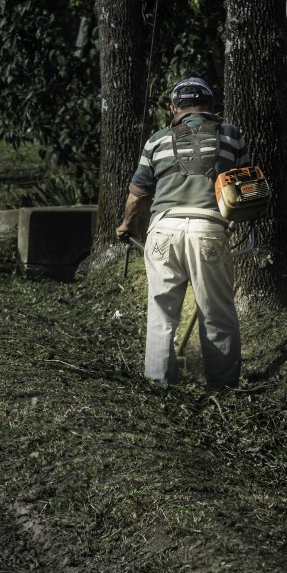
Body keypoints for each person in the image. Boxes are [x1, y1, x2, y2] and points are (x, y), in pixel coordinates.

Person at [116, 77, 249, 387]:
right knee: (216, 313)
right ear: (211, 106)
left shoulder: (156, 140)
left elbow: (137, 195)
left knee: (161, 315)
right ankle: (224, 386)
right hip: (209, 230)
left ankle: (159, 385)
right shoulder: (231, 136)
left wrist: (126, 226)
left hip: (163, 230)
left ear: (174, 108)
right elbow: (243, 187)